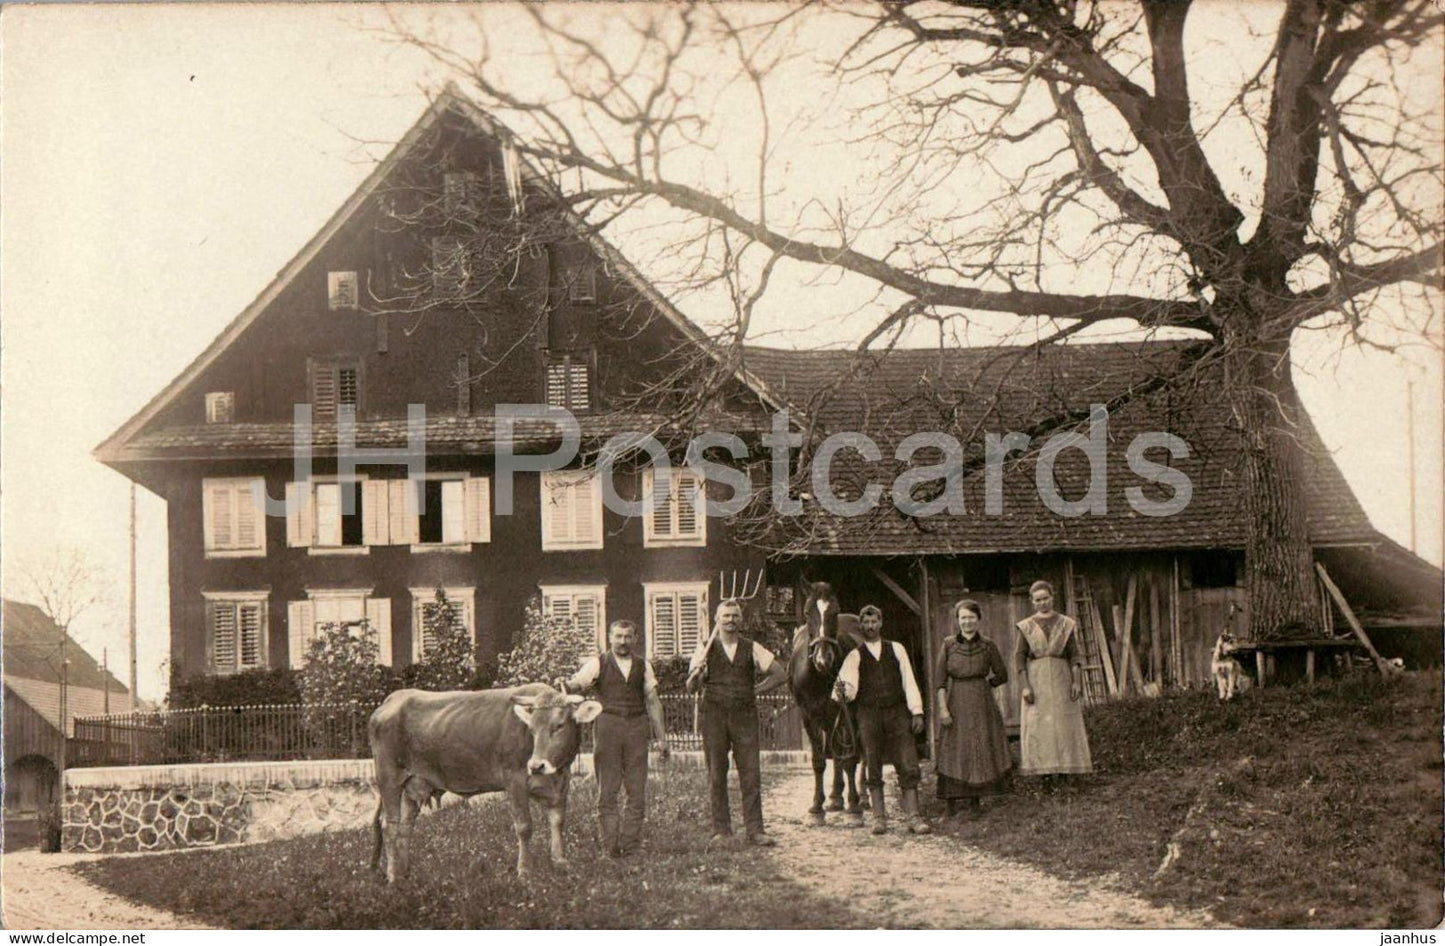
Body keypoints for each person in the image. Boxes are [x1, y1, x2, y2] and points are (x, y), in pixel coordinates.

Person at [686, 598, 788, 846]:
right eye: (726, 616)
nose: (731, 620)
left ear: (741, 621)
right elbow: (690, 688)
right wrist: (698, 674)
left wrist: (756, 690)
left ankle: (755, 831)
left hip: (744, 716)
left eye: (735, 616)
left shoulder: (751, 647)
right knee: (717, 774)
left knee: (751, 774)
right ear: (717, 620)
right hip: (714, 716)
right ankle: (722, 831)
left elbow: (780, 674)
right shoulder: (704, 648)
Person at [565, 619, 670, 857]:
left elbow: (653, 702)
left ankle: (631, 845)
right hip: (608, 727)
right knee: (608, 790)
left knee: (636, 788)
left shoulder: (644, 666)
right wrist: (565, 686)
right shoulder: (598, 663)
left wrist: (662, 739)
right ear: (610, 637)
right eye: (618, 636)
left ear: (635, 639)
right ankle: (610, 847)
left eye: (628, 637)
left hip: (636, 728)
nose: (623, 641)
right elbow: (577, 684)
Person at [831, 604, 930, 835]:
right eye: (865, 623)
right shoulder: (855, 656)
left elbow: (909, 681)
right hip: (869, 714)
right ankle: (879, 818)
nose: (870, 626)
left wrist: (917, 711)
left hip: (897, 712)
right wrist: (842, 690)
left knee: (907, 762)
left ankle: (914, 817)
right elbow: (846, 690)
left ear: (881, 623)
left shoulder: (897, 649)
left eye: (874, 621)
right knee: (872, 762)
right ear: (861, 626)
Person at [934, 599, 1012, 815]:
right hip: (956, 701)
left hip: (981, 703)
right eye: (963, 618)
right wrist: (943, 709)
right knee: (955, 749)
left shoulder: (988, 645)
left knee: (978, 747)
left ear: (978, 620)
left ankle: (975, 802)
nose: (967, 622)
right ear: (957, 621)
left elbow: (1002, 674)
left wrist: (987, 685)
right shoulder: (948, 644)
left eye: (971, 617)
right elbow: (940, 681)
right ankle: (950, 803)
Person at [1015, 580, 1093, 786]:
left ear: (1052, 598)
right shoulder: (1026, 627)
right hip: (1037, 679)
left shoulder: (1066, 624)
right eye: (1038, 600)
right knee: (1039, 725)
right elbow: (1019, 658)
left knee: (1064, 724)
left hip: (1061, 677)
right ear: (1032, 602)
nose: (1042, 603)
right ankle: (1045, 777)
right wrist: (1025, 685)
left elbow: (1075, 655)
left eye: (1045, 598)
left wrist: (1076, 682)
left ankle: (1067, 772)